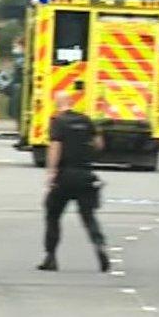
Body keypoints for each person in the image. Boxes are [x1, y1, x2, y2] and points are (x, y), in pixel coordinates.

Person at [38, 91, 109, 273]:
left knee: (53, 215)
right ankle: (99, 244)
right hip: (85, 174)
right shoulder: (86, 120)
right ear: (71, 102)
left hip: (65, 175)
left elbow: (55, 147)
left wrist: (51, 172)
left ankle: (51, 257)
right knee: (88, 216)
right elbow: (99, 144)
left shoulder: (58, 122)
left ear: (57, 104)